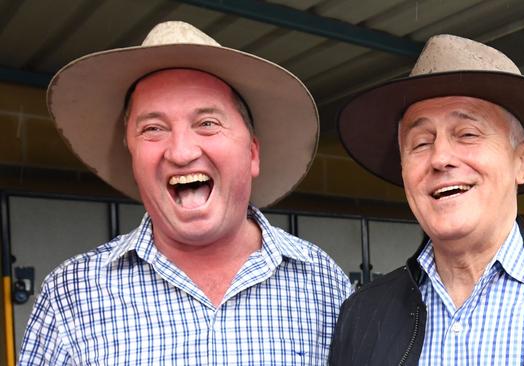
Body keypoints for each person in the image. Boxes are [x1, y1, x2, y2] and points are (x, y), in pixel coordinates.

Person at [19, 21, 352, 365]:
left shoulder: (324, 283)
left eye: (207, 123)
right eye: (153, 129)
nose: (180, 152)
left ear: (252, 153)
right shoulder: (70, 295)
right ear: (132, 156)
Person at [329, 34, 524, 365]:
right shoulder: (363, 317)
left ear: (522, 162)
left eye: (467, 134)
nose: (440, 158)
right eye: (421, 142)